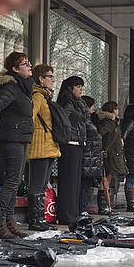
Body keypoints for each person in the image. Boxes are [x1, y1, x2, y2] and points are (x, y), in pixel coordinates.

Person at [0, 52, 34, 239]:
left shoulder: (23, 87)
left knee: (15, 182)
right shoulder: (12, 86)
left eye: (29, 63)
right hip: (12, 137)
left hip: (20, 136)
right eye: (25, 64)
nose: (30, 66)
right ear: (15, 69)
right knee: (11, 182)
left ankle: (9, 224)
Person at [26, 64, 60, 231]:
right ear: (41, 78)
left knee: (42, 183)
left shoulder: (45, 96)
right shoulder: (38, 96)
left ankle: (39, 219)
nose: (53, 80)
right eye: (50, 76)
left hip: (48, 145)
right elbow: (30, 118)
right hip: (40, 145)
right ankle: (35, 220)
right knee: (37, 183)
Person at [55, 76, 88, 225]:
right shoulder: (67, 102)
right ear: (70, 88)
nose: (80, 89)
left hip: (78, 142)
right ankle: (66, 215)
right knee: (69, 180)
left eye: (81, 86)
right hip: (69, 143)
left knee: (75, 181)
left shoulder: (78, 102)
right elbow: (64, 121)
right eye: (77, 86)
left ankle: (72, 214)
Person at [96, 102, 127, 215]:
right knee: (105, 181)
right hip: (109, 154)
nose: (118, 111)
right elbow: (100, 134)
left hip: (112, 154)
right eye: (117, 108)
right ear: (113, 110)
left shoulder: (112, 122)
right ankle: (104, 207)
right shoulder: (108, 122)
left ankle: (106, 206)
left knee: (106, 180)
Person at [80, 95, 103, 215]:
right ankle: (82, 209)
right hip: (88, 156)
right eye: (91, 106)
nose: (93, 108)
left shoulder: (91, 119)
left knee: (87, 184)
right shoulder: (85, 120)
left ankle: (84, 207)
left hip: (92, 157)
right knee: (84, 184)